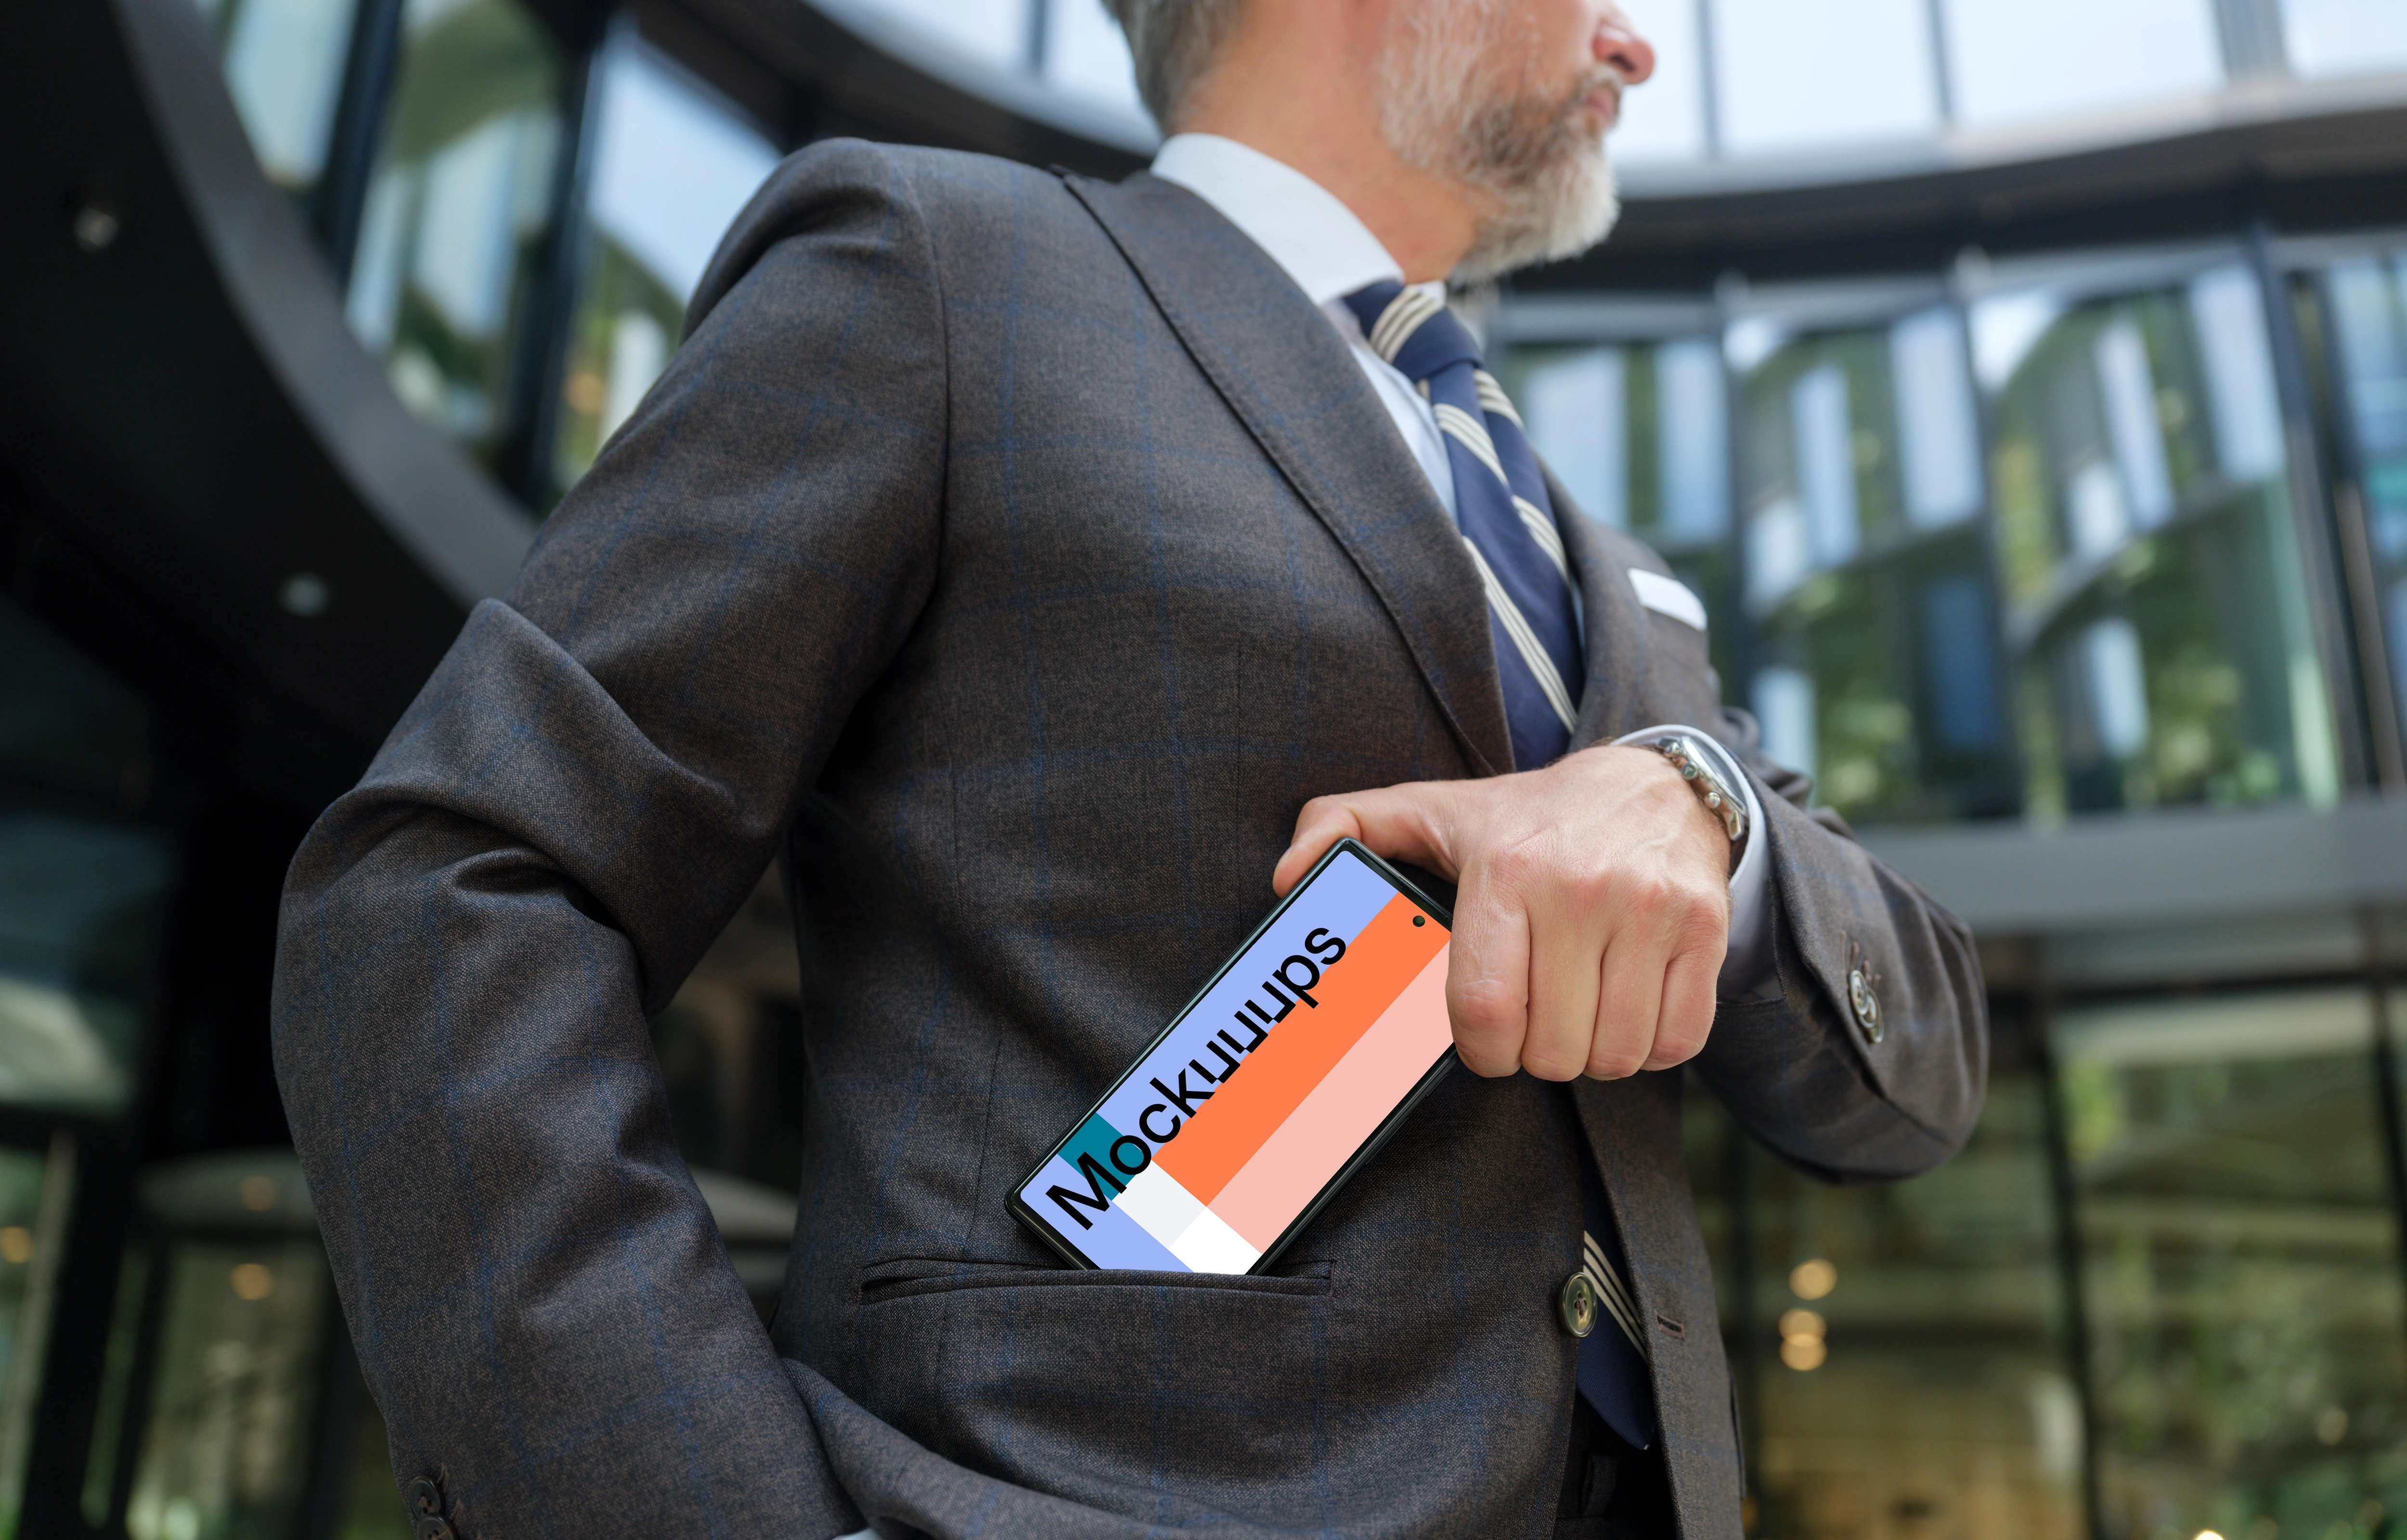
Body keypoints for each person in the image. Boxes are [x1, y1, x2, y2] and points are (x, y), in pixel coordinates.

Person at [271, 0, 1986, 1535]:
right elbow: (450, 889)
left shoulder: (1605, 572)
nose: (1637, 45)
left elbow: (1924, 1065)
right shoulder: (944, 267)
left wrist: (1699, 803)